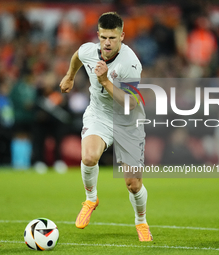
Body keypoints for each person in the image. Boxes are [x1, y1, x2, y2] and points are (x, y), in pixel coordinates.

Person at [59, 12, 152, 241]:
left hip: (127, 122)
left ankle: (141, 221)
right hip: (99, 116)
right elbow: (77, 56)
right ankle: (91, 199)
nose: (107, 43)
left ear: (122, 36)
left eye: (112, 37)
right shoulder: (90, 51)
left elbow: (131, 103)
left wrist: (104, 81)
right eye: (103, 37)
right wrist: (70, 76)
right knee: (89, 157)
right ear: (98, 35)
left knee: (133, 183)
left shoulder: (130, 63)